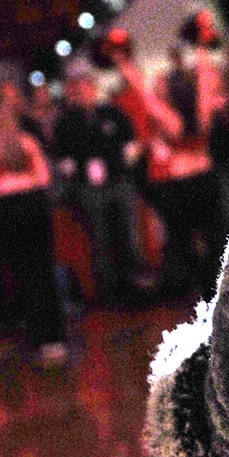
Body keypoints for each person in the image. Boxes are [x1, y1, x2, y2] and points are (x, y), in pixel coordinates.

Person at [110, 18, 229, 301]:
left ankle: (214, 294)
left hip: (196, 184)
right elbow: (145, 91)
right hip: (184, 187)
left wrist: (201, 48)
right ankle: (209, 295)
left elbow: (203, 81)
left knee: (212, 243)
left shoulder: (190, 116)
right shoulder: (172, 119)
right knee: (192, 246)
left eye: (164, 85)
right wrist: (124, 63)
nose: (160, 87)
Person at [0, 93, 68, 362]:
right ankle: (55, 336)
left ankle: (40, 337)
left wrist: (9, 183)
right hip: (35, 205)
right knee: (44, 270)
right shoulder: (28, 142)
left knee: (25, 274)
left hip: (9, 210)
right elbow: (44, 178)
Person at [51, 70, 144, 306]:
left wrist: (120, 167)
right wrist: (83, 172)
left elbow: (131, 146)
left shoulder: (113, 114)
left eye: (87, 88)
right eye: (78, 90)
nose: (84, 94)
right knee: (99, 238)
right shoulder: (66, 123)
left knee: (128, 233)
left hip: (119, 181)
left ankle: (134, 282)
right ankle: (108, 291)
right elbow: (63, 161)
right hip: (89, 188)